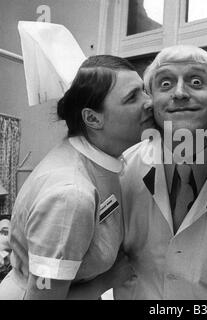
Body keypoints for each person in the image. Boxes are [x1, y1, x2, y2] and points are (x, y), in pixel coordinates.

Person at [0, 55, 153, 299]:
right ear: (92, 118)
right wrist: (107, 280)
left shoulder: (96, 158)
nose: (149, 102)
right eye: (132, 97)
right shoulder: (70, 196)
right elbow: (43, 297)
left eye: (144, 90)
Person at [114, 45, 207, 300]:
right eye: (166, 84)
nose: (180, 93)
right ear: (150, 101)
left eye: (195, 82)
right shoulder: (123, 170)